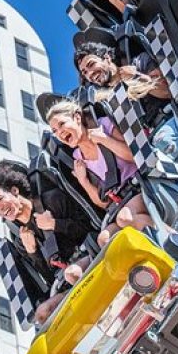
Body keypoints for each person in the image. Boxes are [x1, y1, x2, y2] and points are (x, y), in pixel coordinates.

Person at [0, 161, 92, 324]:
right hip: (66, 281)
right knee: (42, 314)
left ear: (14, 191)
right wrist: (33, 252)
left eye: (0, 200)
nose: (0, 209)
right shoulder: (21, 240)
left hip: (89, 257)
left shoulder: (52, 201)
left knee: (73, 273)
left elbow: (88, 226)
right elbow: (49, 278)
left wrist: (55, 224)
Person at [45, 99, 155, 248]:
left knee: (125, 218)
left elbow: (135, 156)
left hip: (143, 183)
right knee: (104, 240)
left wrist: (105, 139)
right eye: (55, 131)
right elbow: (102, 203)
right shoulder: (78, 158)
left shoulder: (103, 125)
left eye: (62, 124)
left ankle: (175, 243)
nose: (59, 132)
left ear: (77, 118)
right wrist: (83, 180)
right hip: (121, 201)